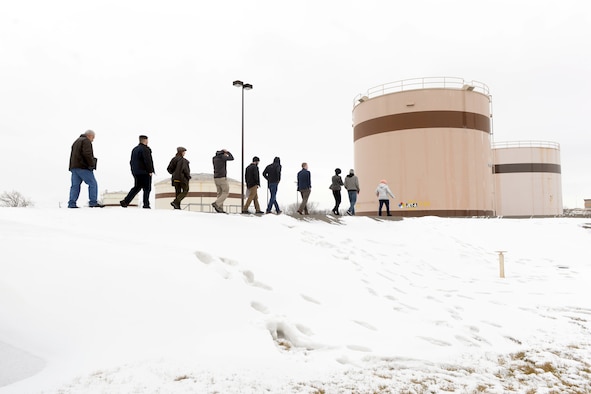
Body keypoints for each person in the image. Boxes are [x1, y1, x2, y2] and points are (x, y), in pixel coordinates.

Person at [68, 130, 103, 208]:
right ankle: (93, 202)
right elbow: (87, 154)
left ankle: (72, 203)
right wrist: (91, 164)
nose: (93, 140)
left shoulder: (76, 141)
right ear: (89, 135)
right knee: (93, 184)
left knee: (75, 186)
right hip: (83, 167)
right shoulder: (86, 141)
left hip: (74, 167)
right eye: (93, 138)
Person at [120, 135, 155, 209]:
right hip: (144, 172)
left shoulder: (135, 149)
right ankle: (146, 204)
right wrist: (150, 170)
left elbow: (131, 161)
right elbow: (147, 161)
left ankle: (125, 201)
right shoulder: (145, 149)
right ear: (145, 140)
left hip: (136, 172)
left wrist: (133, 170)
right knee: (147, 188)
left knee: (137, 187)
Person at [212, 149, 234, 213]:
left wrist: (224, 153)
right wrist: (227, 152)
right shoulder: (222, 157)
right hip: (222, 177)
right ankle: (216, 203)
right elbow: (232, 158)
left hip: (216, 177)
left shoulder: (214, 158)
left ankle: (219, 208)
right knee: (226, 192)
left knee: (220, 193)